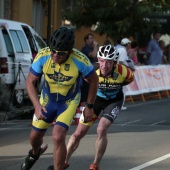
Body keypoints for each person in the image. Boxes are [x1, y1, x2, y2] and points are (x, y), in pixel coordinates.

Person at [21, 26, 99, 170]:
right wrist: (37, 106)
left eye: (60, 53)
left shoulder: (80, 59)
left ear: (69, 52)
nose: (55, 55)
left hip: (68, 102)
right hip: (47, 100)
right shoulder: (43, 55)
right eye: (53, 51)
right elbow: (30, 81)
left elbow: (94, 80)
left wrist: (89, 107)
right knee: (34, 137)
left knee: (58, 136)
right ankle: (34, 153)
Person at [64, 45, 134, 170]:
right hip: (95, 100)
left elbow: (128, 80)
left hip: (113, 101)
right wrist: (88, 105)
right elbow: (86, 85)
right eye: (101, 61)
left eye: (108, 62)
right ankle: (64, 161)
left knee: (101, 129)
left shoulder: (124, 72)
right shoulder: (92, 70)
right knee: (78, 133)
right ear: (98, 60)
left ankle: (95, 164)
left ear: (114, 63)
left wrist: (113, 85)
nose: (104, 65)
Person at [115, 37, 134, 110]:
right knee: (122, 89)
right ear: (127, 44)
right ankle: (120, 105)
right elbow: (121, 62)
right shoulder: (123, 50)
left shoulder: (117, 48)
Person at [80, 33, 99, 102]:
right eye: (90, 38)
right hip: (86, 74)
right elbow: (93, 55)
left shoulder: (92, 48)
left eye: (93, 38)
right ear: (86, 40)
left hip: (93, 72)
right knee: (86, 91)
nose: (92, 40)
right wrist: (95, 46)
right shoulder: (85, 48)